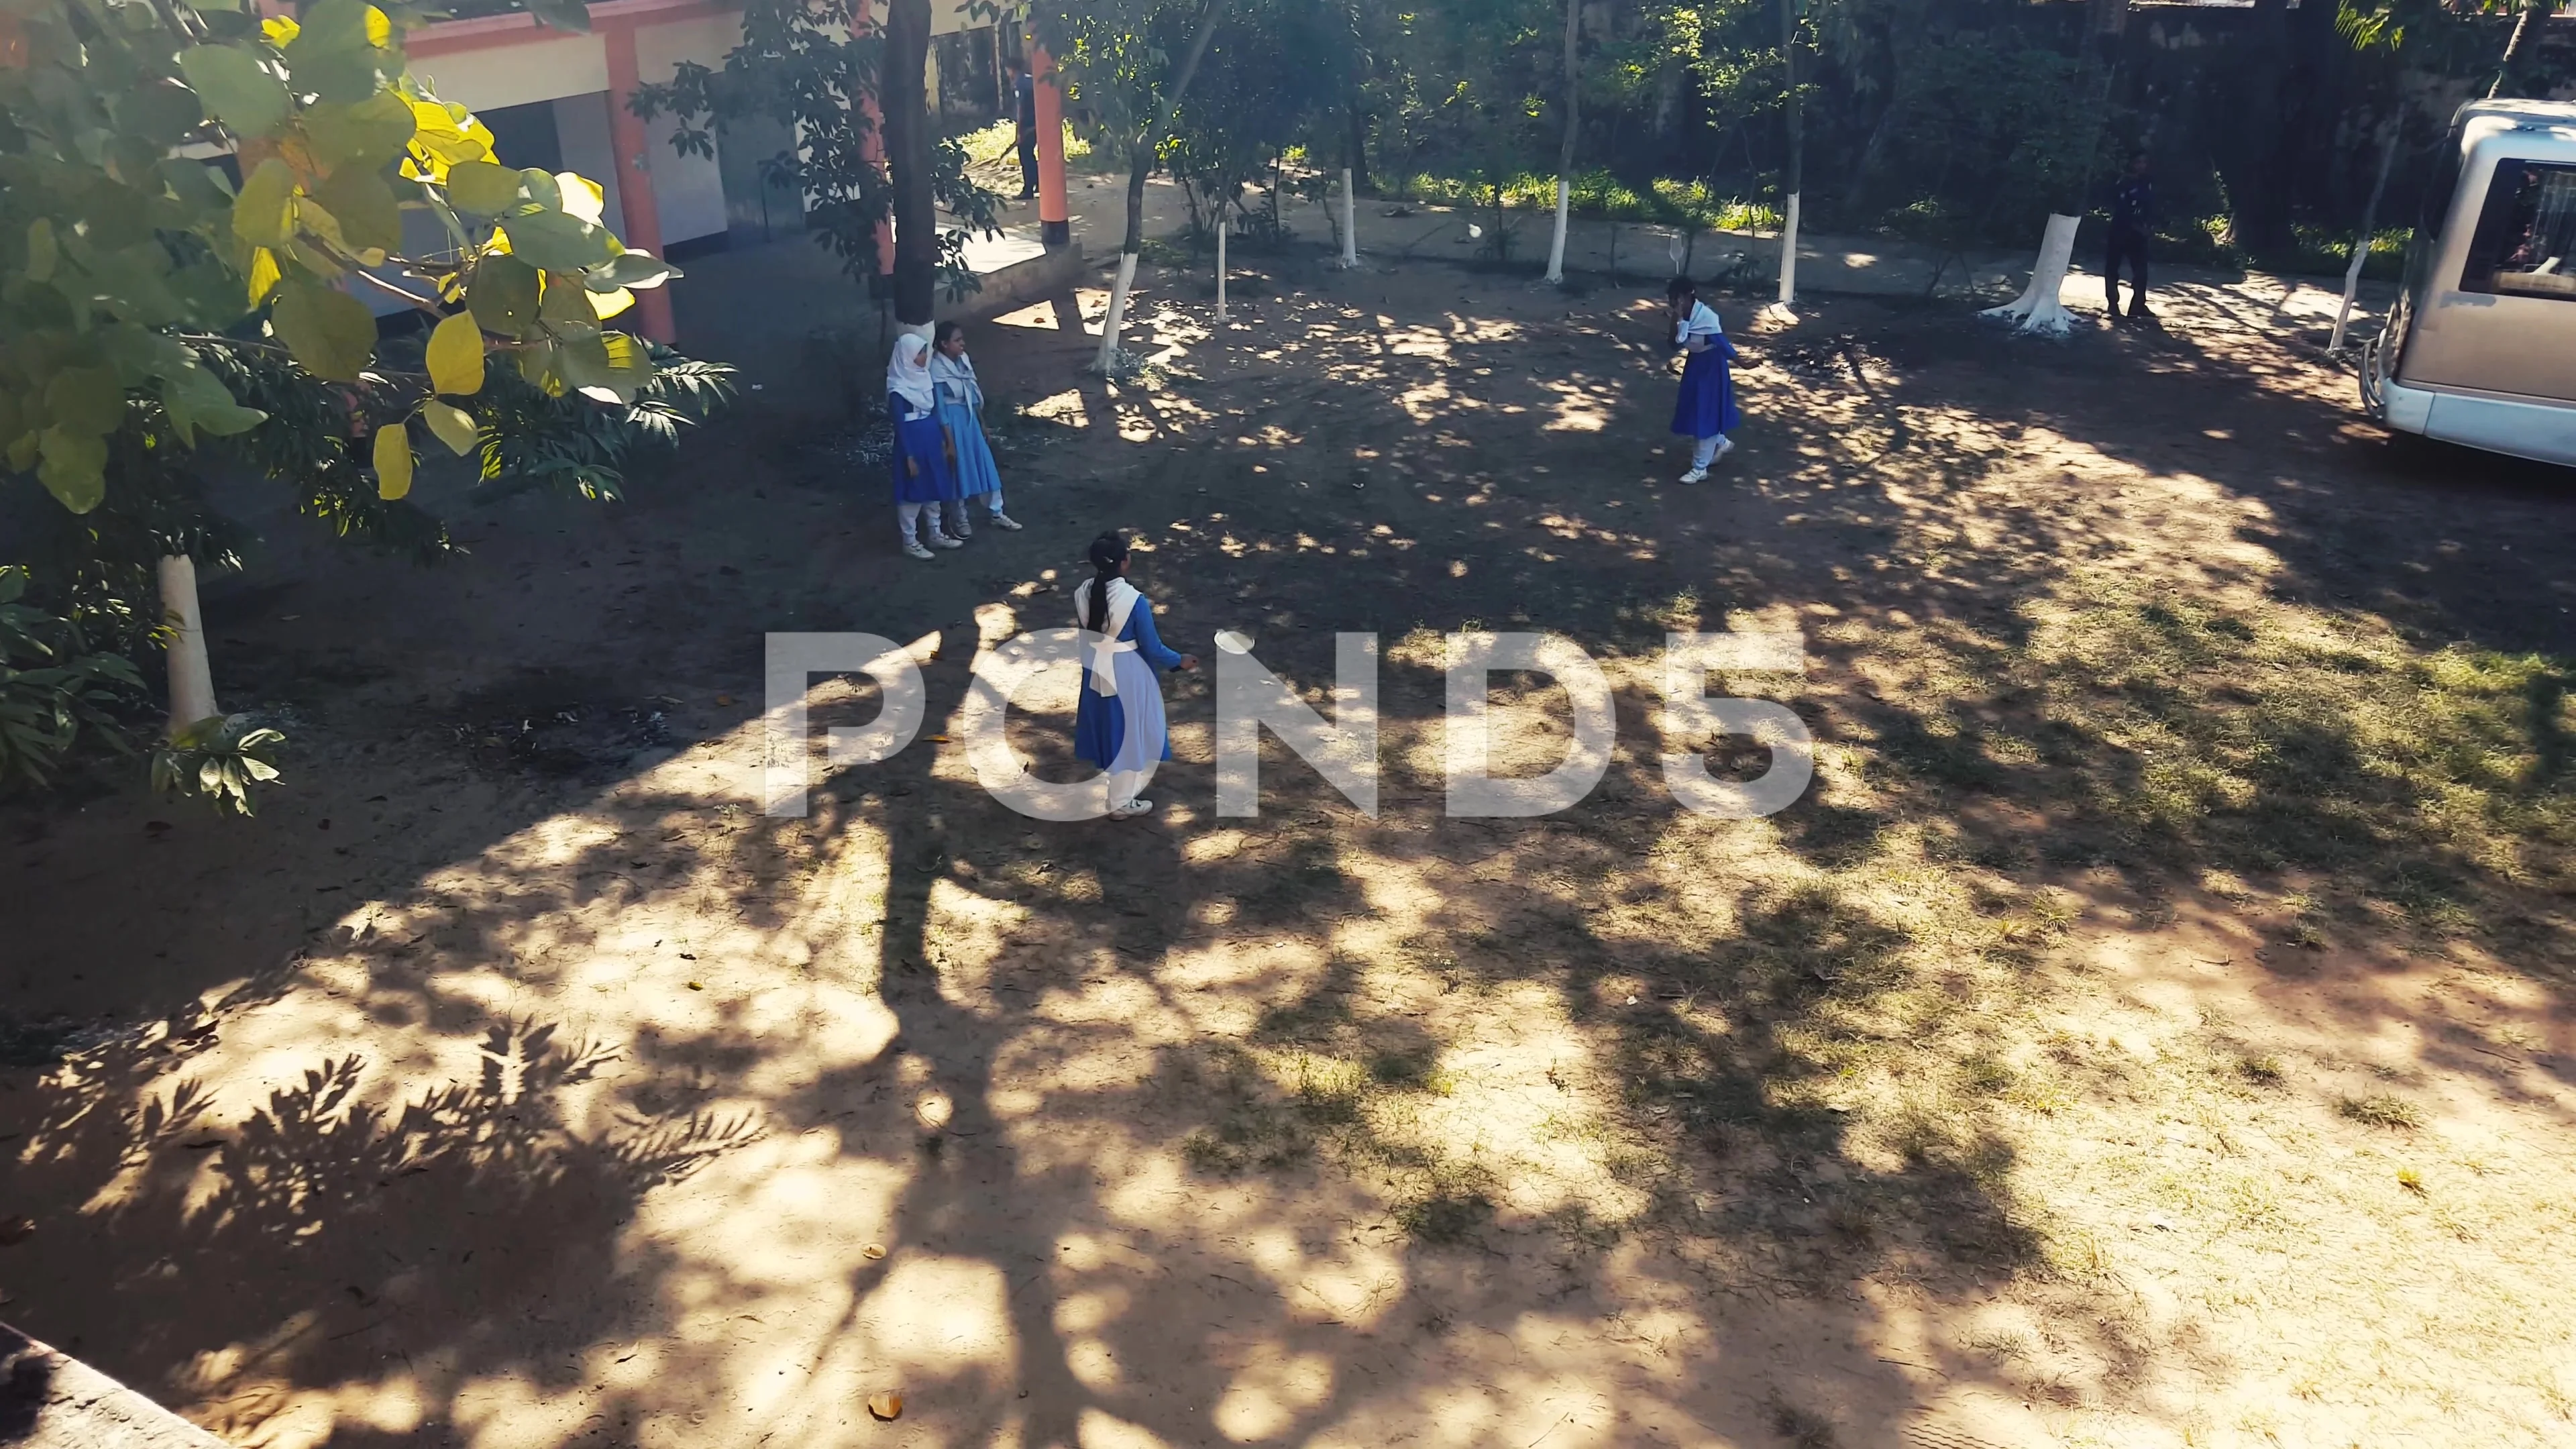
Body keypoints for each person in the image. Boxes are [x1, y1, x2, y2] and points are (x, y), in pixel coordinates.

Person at [1072, 531, 1197, 819]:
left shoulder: (1082, 592)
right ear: (1125, 562)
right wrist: (1181, 661)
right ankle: (1120, 801)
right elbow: (1153, 647)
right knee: (1129, 734)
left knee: (1109, 727)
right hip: (1128, 672)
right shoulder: (1133, 600)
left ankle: (1117, 788)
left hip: (1096, 669)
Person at [931, 321, 1021, 537]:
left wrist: (982, 422)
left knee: (985, 463)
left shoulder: (963, 360)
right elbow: (940, 408)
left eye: (962, 339)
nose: (963, 343)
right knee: (957, 468)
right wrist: (948, 440)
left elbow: (970, 392)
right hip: (952, 423)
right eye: (957, 340)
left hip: (969, 419)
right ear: (944, 344)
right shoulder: (936, 368)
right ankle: (959, 517)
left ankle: (996, 511)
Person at [886, 333, 962, 560]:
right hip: (913, 441)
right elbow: (899, 423)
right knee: (913, 491)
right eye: (920, 352)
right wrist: (908, 455)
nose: (924, 356)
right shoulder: (898, 387)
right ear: (906, 356)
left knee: (934, 485)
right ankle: (910, 541)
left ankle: (935, 533)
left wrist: (942, 439)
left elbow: (934, 412)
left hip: (930, 438)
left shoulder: (924, 378)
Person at [1665, 276, 1740, 483]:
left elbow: (1722, 344)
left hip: (1712, 370)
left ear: (1689, 296)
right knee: (1694, 411)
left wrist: (1743, 362)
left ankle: (1700, 468)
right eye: (1671, 299)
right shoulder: (1680, 316)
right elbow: (1674, 344)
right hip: (1695, 367)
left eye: (1677, 298)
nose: (1674, 303)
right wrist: (1677, 319)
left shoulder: (1707, 317)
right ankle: (1720, 441)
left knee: (1704, 414)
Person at [2106, 150, 2154, 323]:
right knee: (2113, 268)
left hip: (2140, 233)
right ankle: (2113, 304)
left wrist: (2148, 226)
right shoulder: (2124, 182)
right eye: (2138, 162)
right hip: (2121, 230)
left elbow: (2150, 206)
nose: (2141, 166)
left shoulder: (2147, 182)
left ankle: (2138, 305)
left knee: (2141, 270)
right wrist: (2136, 226)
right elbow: (2121, 209)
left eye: (2144, 162)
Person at [1008, 60, 1038, 202]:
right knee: (1031, 155)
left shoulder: (1019, 84)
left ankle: (1028, 190)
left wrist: (1019, 131)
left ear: (1012, 69)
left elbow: (1020, 109)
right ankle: (1038, 184)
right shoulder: (1031, 80)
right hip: (1038, 123)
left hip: (1027, 124)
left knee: (1025, 157)